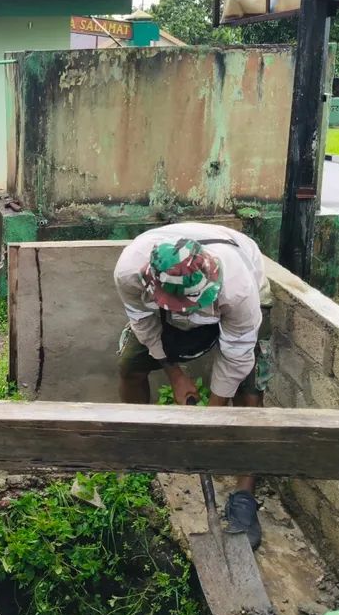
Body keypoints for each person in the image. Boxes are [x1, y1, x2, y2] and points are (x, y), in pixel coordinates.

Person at [113, 222, 272, 549]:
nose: (192, 313)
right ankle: (138, 456)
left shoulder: (238, 289)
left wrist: (210, 418)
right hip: (162, 311)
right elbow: (144, 325)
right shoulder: (129, 273)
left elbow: (237, 356)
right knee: (130, 365)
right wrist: (175, 374)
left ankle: (244, 494)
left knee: (250, 387)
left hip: (242, 287)